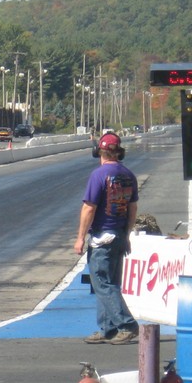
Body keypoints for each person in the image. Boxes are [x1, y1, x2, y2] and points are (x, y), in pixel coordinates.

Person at [73, 132, 139, 345]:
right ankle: (108, 328)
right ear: (119, 152)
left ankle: (126, 324)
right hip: (119, 233)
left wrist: (80, 238)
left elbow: (89, 208)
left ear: (99, 152)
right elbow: (132, 208)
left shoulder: (99, 175)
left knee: (101, 282)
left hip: (103, 235)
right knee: (110, 282)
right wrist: (126, 235)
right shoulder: (129, 175)